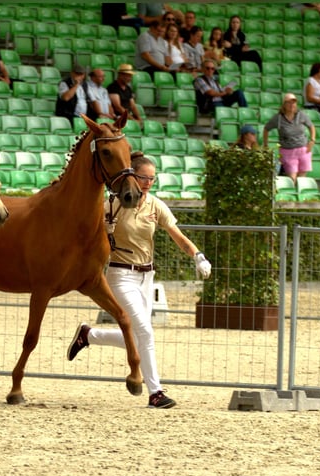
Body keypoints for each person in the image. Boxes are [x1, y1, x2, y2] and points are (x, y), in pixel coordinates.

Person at [65, 152, 212, 409]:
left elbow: (176, 235)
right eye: (143, 177)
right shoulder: (112, 204)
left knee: (136, 335)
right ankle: (156, 392)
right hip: (121, 275)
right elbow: (86, 234)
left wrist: (197, 255)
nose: (148, 183)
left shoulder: (155, 205)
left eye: (152, 178)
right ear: (132, 175)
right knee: (145, 331)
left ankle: (89, 335)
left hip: (147, 275)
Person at [263, 93, 316, 183]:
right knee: (292, 178)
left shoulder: (301, 115)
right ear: (284, 105)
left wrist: (312, 140)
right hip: (288, 151)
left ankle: (298, 196)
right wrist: (265, 144)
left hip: (303, 149)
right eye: (289, 103)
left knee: (302, 178)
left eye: (294, 103)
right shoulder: (278, 118)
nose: (292, 105)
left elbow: (311, 126)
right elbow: (266, 129)